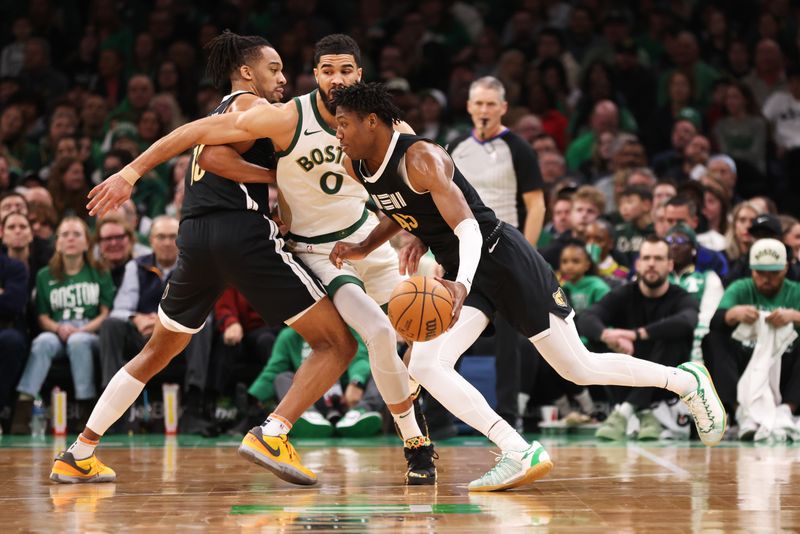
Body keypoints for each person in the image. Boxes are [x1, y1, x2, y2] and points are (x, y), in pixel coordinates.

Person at [328, 83, 724, 490]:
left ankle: (685, 381)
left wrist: (460, 283)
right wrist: (366, 245)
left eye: (343, 124)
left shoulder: (421, 157)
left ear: (371, 121)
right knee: (426, 365)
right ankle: (516, 449)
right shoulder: (357, 163)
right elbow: (403, 207)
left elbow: (467, 227)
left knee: (578, 367)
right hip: (460, 267)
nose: (337, 133)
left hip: (500, 257)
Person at [51, 33, 358, 488]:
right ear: (248, 73)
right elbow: (213, 155)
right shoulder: (249, 108)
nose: (282, 78)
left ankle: (80, 452)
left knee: (158, 350)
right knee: (338, 344)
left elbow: (210, 153)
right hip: (240, 234)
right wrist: (280, 175)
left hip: (195, 237)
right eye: (273, 69)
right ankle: (274, 432)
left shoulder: (223, 111)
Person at [174, 34, 435, 482]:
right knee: (375, 333)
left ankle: (426, 407)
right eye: (328, 71)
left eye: (346, 70)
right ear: (314, 75)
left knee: (425, 334)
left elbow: (418, 187)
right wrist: (274, 175)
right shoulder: (284, 116)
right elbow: (210, 150)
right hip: (320, 252)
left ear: (360, 74)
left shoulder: (384, 123)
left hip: (367, 239)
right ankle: (417, 446)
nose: (337, 79)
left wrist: (420, 230)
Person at [446, 75, 546, 429]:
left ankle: (508, 414)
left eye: (492, 104)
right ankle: (442, 417)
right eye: (479, 103)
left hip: (505, 251)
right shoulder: (455, 145)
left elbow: (536, 205)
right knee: (446, 326)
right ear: (469, 106)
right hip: (459, 250)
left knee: (509, 338)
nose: (485, 110)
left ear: (503, 108)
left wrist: (527, 253)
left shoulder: (518, 147)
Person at [98, 216, 215, 436]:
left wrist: (164, 323)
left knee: (205, 325)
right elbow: (120, 309)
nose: (167, 242)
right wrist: (136, 318)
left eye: (173, 237)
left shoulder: (194, 266)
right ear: (151, 240)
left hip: (178, 339)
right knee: (111, 325)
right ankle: (111, 411)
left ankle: (193, 409)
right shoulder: (136, 266)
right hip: (142, 339)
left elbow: (202, 310)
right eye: (161, 237)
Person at [577, 236, 700, 441]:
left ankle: (624, 412)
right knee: (597, 340)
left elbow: (687, 322)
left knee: (673, 337)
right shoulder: (625, 293)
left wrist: (637, 334)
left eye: (659, 258)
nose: (652, 263)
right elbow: (587, 318)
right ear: (638, 264)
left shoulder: (681, 297)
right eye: (647, 258)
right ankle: (642, 411)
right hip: (628, 376)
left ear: (670, 264)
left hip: (665, 384)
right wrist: (608, 336)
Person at [11, 217, 114, 434]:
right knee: (42, 342)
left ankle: (85, 411)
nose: (70, 239)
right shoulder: (44, 275)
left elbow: (106, 314)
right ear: (57, 242)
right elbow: (42, 316)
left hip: (89, 331)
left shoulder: (100, 271)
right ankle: (23, 408)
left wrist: (82, 330)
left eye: (76, 234)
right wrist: (58, 329)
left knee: (78, 342)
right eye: (65, 234)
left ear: (87, 242)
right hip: (57, 330)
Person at [703, 238, 800, 440]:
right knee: (713, 340)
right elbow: (716, 321)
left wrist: (794, 316)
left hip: (786, 366)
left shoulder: (795, 291)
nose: (766, 279)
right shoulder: (741, 288)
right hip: (746, 363)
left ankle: (787, 410)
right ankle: (740, 411)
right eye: (760, 273)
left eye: (773, 273)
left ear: (786, 268)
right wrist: (733, 314)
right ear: (751, 270)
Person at [248, 327, 384, 438]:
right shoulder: (289, 335)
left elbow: (360, 358)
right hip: (311, 396)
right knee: (282, 377)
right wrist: (254, 396)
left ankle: (361, 412)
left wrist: (356, 382)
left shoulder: (347, 328)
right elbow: (274, 369)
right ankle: (307, 415)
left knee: (378, 369)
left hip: (348, 396)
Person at [666, 224, 724, 363]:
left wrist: (695, 358)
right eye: (669, 241)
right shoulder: (655, 277)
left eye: (681, 241)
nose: (674, 246)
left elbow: (708, 320)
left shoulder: (708, 278)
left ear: (693, 249)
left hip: (693, 345)